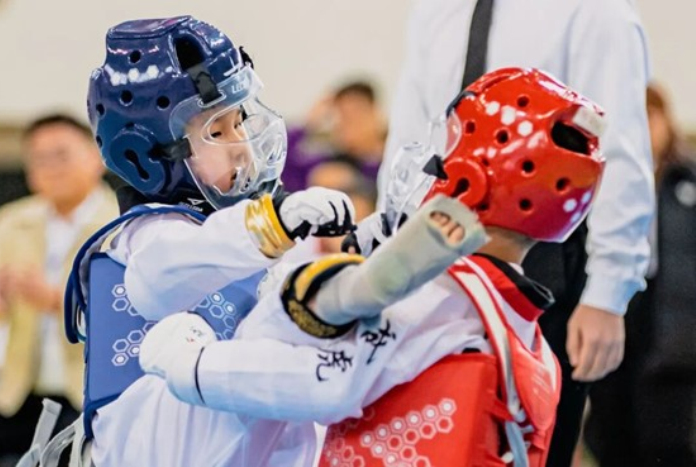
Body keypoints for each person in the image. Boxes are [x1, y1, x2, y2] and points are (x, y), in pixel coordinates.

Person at [139, 68, 606, 467]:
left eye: (447, 149)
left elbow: (322, 383)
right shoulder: (531, 339)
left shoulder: (438, 298)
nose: (431, 164)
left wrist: (191, 364)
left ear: (468, 180)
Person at [54, 15, 356, 467]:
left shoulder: (238, 239)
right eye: (216, 132)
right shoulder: (146, 236)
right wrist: (271, 225)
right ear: (144, 156)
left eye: (240, 122)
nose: (241, 145)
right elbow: (160, 280)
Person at [377, 1, 654, 465]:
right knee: (433, 438)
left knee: (529, 444)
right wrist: (388, 246)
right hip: (432, 250)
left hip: (542, 256)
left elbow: (618, 150)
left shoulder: (593, 10)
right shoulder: (437, 10)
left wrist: (609, 293)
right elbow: (410, 137)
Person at [0, 114, 118, 466]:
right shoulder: (10, 221)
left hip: (88, 394)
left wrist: (53, 300)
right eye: (39, 159)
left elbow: (125, 311)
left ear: (96, 157)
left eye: (61, 155)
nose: (50, 168)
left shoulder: (121, 223)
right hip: (16, 391)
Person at [585, 85, 696, 467]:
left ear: (665, 119)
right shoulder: (600, 180)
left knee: (666, 438)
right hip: (619, 302)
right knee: (612, 428)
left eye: (648, 117)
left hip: (672, 318)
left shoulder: (687, 180)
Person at [282, 81, 387, 192]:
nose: (347, 124)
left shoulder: (393, 158)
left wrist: (356, 182)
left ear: (375, 112)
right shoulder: (331, 164)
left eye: (356, 114)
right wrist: (308, 124)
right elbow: (280, 168)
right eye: (342, 116)